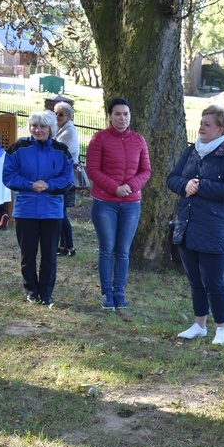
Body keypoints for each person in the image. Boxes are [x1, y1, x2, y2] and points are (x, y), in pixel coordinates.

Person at [168, 105, 224, 345]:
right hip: (188, 224)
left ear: (220, 128)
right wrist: (185, 185)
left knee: (213, 280)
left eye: (207, 124)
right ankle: (199, 325)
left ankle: (221, 328)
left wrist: (200, 185)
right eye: (201, 123)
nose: (201, 127)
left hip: (215, 228)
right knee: (195, 280)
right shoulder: (192, 151)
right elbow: (173, 178)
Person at [2, 110, 74, 307]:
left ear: (51, 128)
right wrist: (30, 184)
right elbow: (8, 175)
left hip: (52, 210)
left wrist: (48, 185)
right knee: (28, 253)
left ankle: (46, 293)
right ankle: (31, 291)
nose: (38, 130)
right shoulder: (18, 147)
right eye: (34, 125)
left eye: (42, 126)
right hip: (26, 209)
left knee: (50, 254)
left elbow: (68, 178)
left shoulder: (61, 150)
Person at [86, 97, 151, 310]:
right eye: (117, 114)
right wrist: (115, 188)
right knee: (107, 249)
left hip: (131, 204)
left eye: (126, 114)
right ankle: (106, 293)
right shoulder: (99, 139)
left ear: (130, 116)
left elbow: (146, 171)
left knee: (123, 250)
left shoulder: (139, 140)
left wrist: (130, 186)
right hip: (105, 203)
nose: (122, 118)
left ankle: (119, 293)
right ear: (109, 116)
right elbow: (93, 170)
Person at [54, 101, 79, 257]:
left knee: (61, 212)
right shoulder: (61, 129)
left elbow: (60, 151)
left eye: (61, 114)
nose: (57, 116)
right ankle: (64, 246)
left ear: (69, 117)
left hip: (65, 177)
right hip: (61, 176)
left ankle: (69, 246)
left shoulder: (69, 132)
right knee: (61, 212)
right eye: (56, 113)